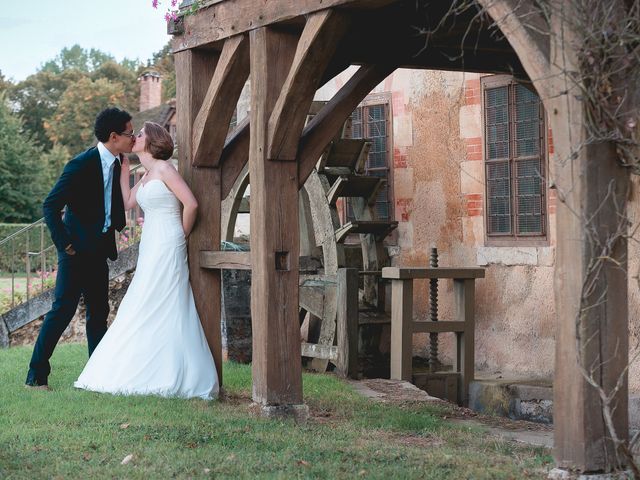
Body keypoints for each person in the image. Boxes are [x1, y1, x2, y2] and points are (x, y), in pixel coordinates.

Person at [74, 122, 219, 400]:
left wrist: (181, 233)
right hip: (151, 243)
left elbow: (191, 204)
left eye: (139, 134)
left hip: (169, 240)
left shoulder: (164, 168)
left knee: (163, 298)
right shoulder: (147, 172)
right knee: (143, 298)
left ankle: (176, 371)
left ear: (151, 141)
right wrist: (125, 170)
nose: (134, 137)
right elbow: (128, 202)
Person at [25, 108, 134, 390]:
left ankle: (96, 377)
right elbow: (50, 205)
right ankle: (36, 376)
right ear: (114, 136)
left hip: (99, 250)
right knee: (62, 310)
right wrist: (66, 245)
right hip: (75, 252)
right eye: (129, 133)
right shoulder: (80, 164)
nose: (133, 138)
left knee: (99, 312)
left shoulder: (120, 162)